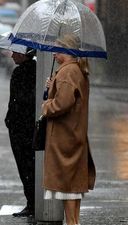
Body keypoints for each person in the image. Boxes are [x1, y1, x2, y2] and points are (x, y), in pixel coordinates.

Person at [41, 35, 96, 225]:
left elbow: (62, 104)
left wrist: (46, 105)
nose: (54, 53)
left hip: (65, 138)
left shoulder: (68, 72)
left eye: (57, 49)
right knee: (72, 187)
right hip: (74, 134)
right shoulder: (76, 70)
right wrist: (53, 85)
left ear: (68, 50)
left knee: (67, 187)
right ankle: (74, 222)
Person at [4, 48, 36, 217]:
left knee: (25, 166)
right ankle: (33, 201)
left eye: (15, 52)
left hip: (20, 127)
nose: (12, 55)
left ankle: (32, 203)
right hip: (27, 125)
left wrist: (10, 120)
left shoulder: (21, 73)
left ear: (23, 54)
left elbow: (18, 101)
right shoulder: (36, 70)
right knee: (30, 165)